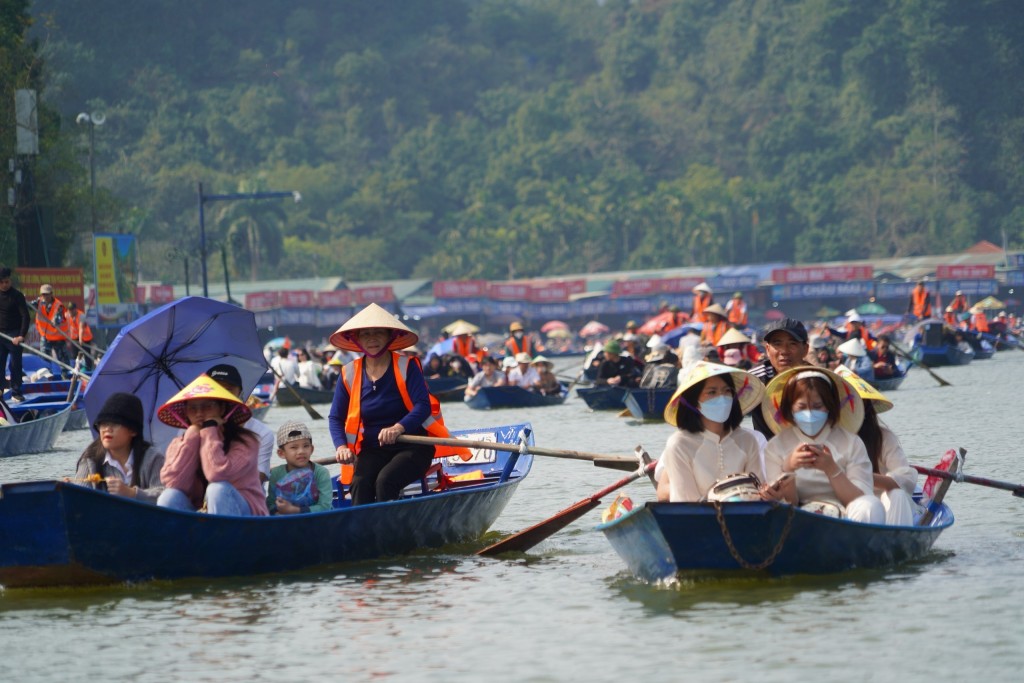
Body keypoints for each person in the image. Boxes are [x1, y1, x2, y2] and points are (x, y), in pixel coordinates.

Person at [328, 303, 469, 506]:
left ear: (390, 336)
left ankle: (390, 532)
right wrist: (341, 446)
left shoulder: (407, 366)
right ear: (357, 340)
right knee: (360, 482)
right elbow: (335, 418)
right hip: (374, 449)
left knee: (385, 481)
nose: (372, 339)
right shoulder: (348, 373)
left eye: (378, 333)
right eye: (365, 334)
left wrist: (398, 428)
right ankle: (365, 533)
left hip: (414, 446)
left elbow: (422, 406)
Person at [760, 366, 885, 524]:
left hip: (845, 518)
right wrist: (789, 469)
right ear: (790, 408)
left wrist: (831, 469)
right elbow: (788, 503)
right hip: (797, 521)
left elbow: (859, 497)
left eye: (818, 407)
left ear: (830, 406)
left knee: (871, 505)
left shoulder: (851, 443)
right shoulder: (776, 446)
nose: (810, 413)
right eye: (802, 407)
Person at [156, 373, 268, 516]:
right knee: (168, 496)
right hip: (200, 512)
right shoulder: (179, 442)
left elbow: (217, 474)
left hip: (244, 514)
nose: (199, 413)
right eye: (192, 408)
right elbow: (173, 482)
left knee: (217, 489)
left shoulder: (246, 442)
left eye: (208, 406)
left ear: (222, 409)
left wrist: (210, 430)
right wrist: (192, 436)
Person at [655, 362, 766, 502]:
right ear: (694, 401)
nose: (722, 397)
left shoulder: (748, 440)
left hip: (745, 517)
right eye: (712, 392)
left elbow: (757, 492)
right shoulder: (679, 444)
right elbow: (685, 500)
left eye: (727, 391)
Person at [834, 367, 917, 525]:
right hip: (842, 509)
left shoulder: (883, 437)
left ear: (865, 408)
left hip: (883, 509)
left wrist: (864, 477)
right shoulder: (824, 438)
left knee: (897, 495)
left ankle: (894, 544)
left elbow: (906, 478)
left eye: (852, 405)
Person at [73, 392, 165, 503]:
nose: (107, 429)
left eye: (115, 424)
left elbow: (164, 495)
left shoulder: (153, 458)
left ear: (133, 430)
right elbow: (79, 500)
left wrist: (132, 493)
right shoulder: (90, 460)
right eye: (103, 424)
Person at [207, 363, 276, 484]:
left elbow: (257, 479)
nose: (222, 395)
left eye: (228, 390)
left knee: (217, 488)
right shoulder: (192, 429)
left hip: (242, 497)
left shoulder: (261, 433)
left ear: (240, 394)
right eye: (216, 389)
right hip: (201, 498)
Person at [750, 318, 810, 440]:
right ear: (767, 349)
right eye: (777, 344)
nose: (784, 351)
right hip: (768, 452)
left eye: (792, 344)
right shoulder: (755, 380)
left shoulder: (817, 380)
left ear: (805, 349)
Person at [267, 420, 334, 515]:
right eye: (294, 447)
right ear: (281, 453)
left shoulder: (321, 472)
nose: (301, 451)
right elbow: (270, 503)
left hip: (319, 520)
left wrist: (294, 511)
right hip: (286, 521)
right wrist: (277, 511)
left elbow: (325, 506)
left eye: (306, 446)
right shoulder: (276, 474)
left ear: (312, 449)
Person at [0, 267, 30, 402]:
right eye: (1, 282)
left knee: (15, 364)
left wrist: (21, 335)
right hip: (1, 334)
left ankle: (16, 392)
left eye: (7, 282)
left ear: (10, 281)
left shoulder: (17, 296)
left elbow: (25, 316)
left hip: (14, 335)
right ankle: (0, 390)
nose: (5, 285)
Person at [32, 283, 72, 373]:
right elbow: (29, 306)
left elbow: (59, 317)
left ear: (51, 294)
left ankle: (66, 377)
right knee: (44, 359)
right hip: (45, 336)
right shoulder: (38, 302)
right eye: (43, 294)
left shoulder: (58, 305)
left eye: (47, 294)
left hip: (58, 337)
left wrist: (56, 321)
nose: (45, 296)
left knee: (63, 360)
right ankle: (47, 376)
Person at [65, 302, 96, 371]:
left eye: (72, 309)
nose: (71, 311)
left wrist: (80, 339)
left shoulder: (81, 315)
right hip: (74, 338)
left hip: (85, 338)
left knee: (87, 354)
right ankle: (75, 369)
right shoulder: (67, 314)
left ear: (75, 309)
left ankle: (89, 369)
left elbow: (81, 328)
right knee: (74, 355)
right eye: (69, 310)